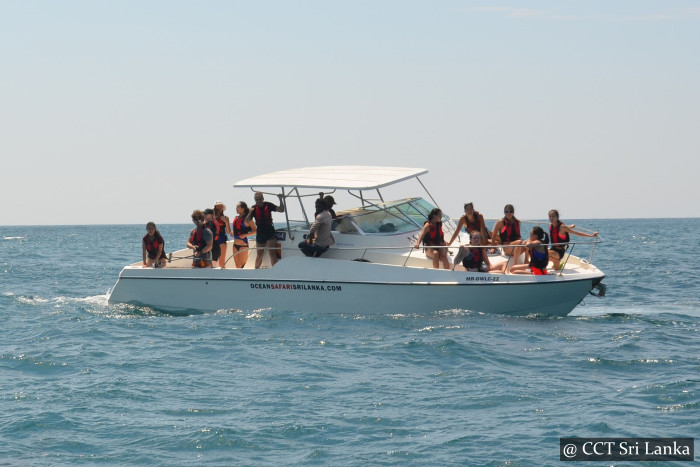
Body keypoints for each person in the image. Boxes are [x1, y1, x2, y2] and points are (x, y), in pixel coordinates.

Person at [246, 192, 285, 268]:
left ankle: (274, 271)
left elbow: (281, 210)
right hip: (260, 233)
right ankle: (256, 271)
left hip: (270, 232)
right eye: (257, 200)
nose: (258, 201)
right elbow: (247, 220)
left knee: (272, 253)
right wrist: (250, 212)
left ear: (263, 199)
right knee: (259, 254)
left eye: (260, 199)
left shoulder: (268, 205)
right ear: (255, 200)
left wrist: (280, 199)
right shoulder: (253, 208)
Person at [231, 201, 256, 268]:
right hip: (235, 245)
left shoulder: (247, 219)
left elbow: (255, 231)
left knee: (242, 265)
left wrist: (245, 235)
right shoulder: (236, 218)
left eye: (238, 207)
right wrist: (233, 232)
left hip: (243, 245)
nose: (236, 208)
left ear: (243, 208)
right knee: (237, 265)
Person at [214, 201, 232, 268]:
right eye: (218, 206)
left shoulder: (225, 217)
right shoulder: (212, 217)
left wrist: (226, 222)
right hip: (213, 239)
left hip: (221, 239)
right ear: (215, 207)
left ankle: (223, 273)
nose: (219, 207)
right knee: (213, 259)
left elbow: (228, 232)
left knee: (222, 261)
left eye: (221, 206)